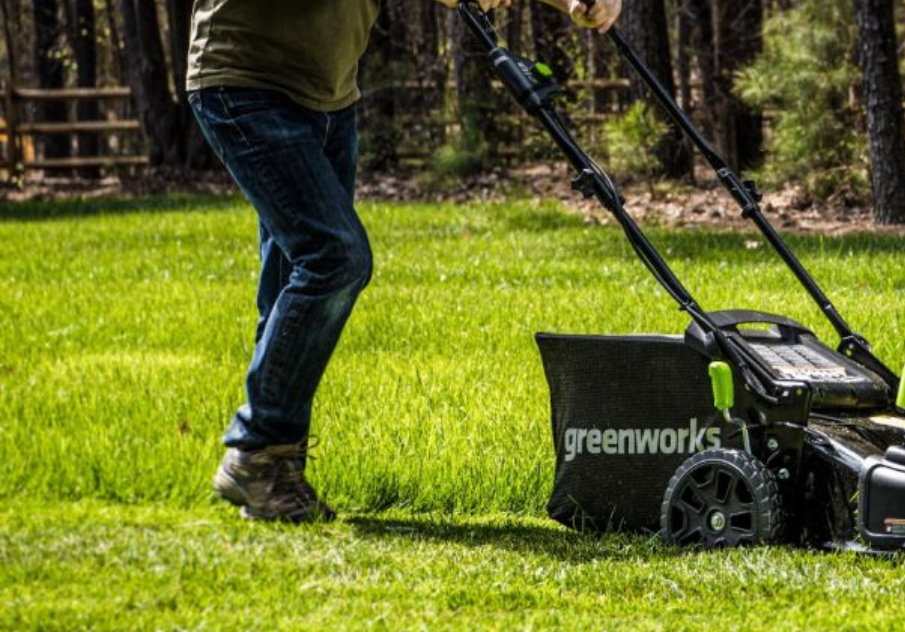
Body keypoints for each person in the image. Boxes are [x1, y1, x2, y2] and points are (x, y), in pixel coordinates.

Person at [194, 0, 621, 521]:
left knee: (292, 278)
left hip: (328, 96)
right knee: (334, 258)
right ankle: (256, 447)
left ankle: (273, 475)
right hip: (243, 85)